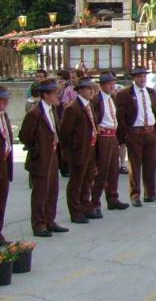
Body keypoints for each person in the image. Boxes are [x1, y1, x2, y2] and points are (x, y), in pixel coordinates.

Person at [19, 79, 66, 237]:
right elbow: (24, 136)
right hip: (41, 157)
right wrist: (38, 148)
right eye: (54, 93)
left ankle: (49, 220)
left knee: (52, 189)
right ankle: (39, 224)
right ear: (45, 95)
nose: (57, 95)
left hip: (52, 155)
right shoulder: (35, 113)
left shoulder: (51, 110)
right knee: (40, 192)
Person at [115, 66, 156, 206]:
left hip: (150, 132)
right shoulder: (125, 94)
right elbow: (121, 115)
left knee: (151, 164)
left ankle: (150, 193)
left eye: (144, 76)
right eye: (139, 76)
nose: (142, 79)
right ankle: (135, 195)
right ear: (134, 78)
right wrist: (126, 134)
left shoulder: (151, 92)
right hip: (135, 133)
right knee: (135, 166)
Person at [59, 76, 100, 224]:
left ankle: (85, 206)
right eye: (89, 89)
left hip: (90, 148)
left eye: (92, 89)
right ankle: (75, 211)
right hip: (79, 151)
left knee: (88, 180)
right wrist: (69, 152)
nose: (92, 91)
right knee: (76, 182)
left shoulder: (89, 105)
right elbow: (65, 133)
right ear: (81, 90)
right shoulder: (73, 108)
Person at [92, 73, 128, 212]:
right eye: (109, 84)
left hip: (113, 136)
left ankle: (112, 198)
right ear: (102, 85)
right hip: (103, 137)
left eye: (113, 83)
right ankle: (95, 202)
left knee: (114, 169)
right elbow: (93, 118)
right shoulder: (97, 100)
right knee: (102, 171)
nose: (112, 86)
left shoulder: (112, 98)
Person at [0, 87, 13, 243]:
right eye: (3, 100)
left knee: (2, 198)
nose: (5, 102)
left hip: (4, 162)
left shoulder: (4, 115)